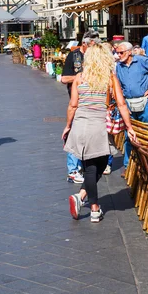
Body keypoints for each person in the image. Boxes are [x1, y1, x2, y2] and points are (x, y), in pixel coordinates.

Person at [62, 44, 137, 222]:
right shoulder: (110, 78)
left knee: (91, 165)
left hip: (81, 123)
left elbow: (73, 105)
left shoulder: (79, 78)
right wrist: (129, 126)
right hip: (98, 125)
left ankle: (81, 197)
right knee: (98, 165)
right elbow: (121, 104)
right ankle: (94, 209)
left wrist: (68, 125)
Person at [116, 41, 148, 175]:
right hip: (128, 102)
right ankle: (128, 166)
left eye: (121, 52)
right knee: (129, 135)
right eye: (117, 52)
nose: (118, 55)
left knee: (147, 133)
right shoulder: (118, 66)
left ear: (129, 52)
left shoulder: (141, 61)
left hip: (145, 101)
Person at [61, 30, 101, 184]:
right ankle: (73, 170)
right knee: (74, 134)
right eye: (92, 44)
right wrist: (82, 78)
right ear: (84, 43)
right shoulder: (74, 56)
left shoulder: (97, 56)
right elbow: (64, 79)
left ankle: (91, 164)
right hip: (77, 101)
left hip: (95, 100)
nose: (94, 47)